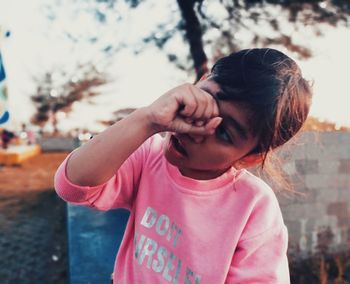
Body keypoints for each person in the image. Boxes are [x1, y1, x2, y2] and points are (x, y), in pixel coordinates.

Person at [54, 48, 312, 283]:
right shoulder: (148, 156)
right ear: (197, 85)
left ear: (249, 158)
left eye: (223, 133)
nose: (196, 129)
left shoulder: (254, 206)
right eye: (204, 102)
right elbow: (73, 185)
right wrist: (148, 119)